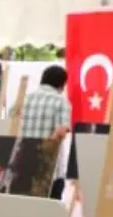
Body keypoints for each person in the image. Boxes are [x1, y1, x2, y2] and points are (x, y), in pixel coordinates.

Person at [11, 65, 72, 199]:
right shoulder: (61, 101)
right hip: (48, 169)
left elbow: (11, 122)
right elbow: (61, 131)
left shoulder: (25, 99)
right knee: (48, 213)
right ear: (62, 84)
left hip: (22, 163)